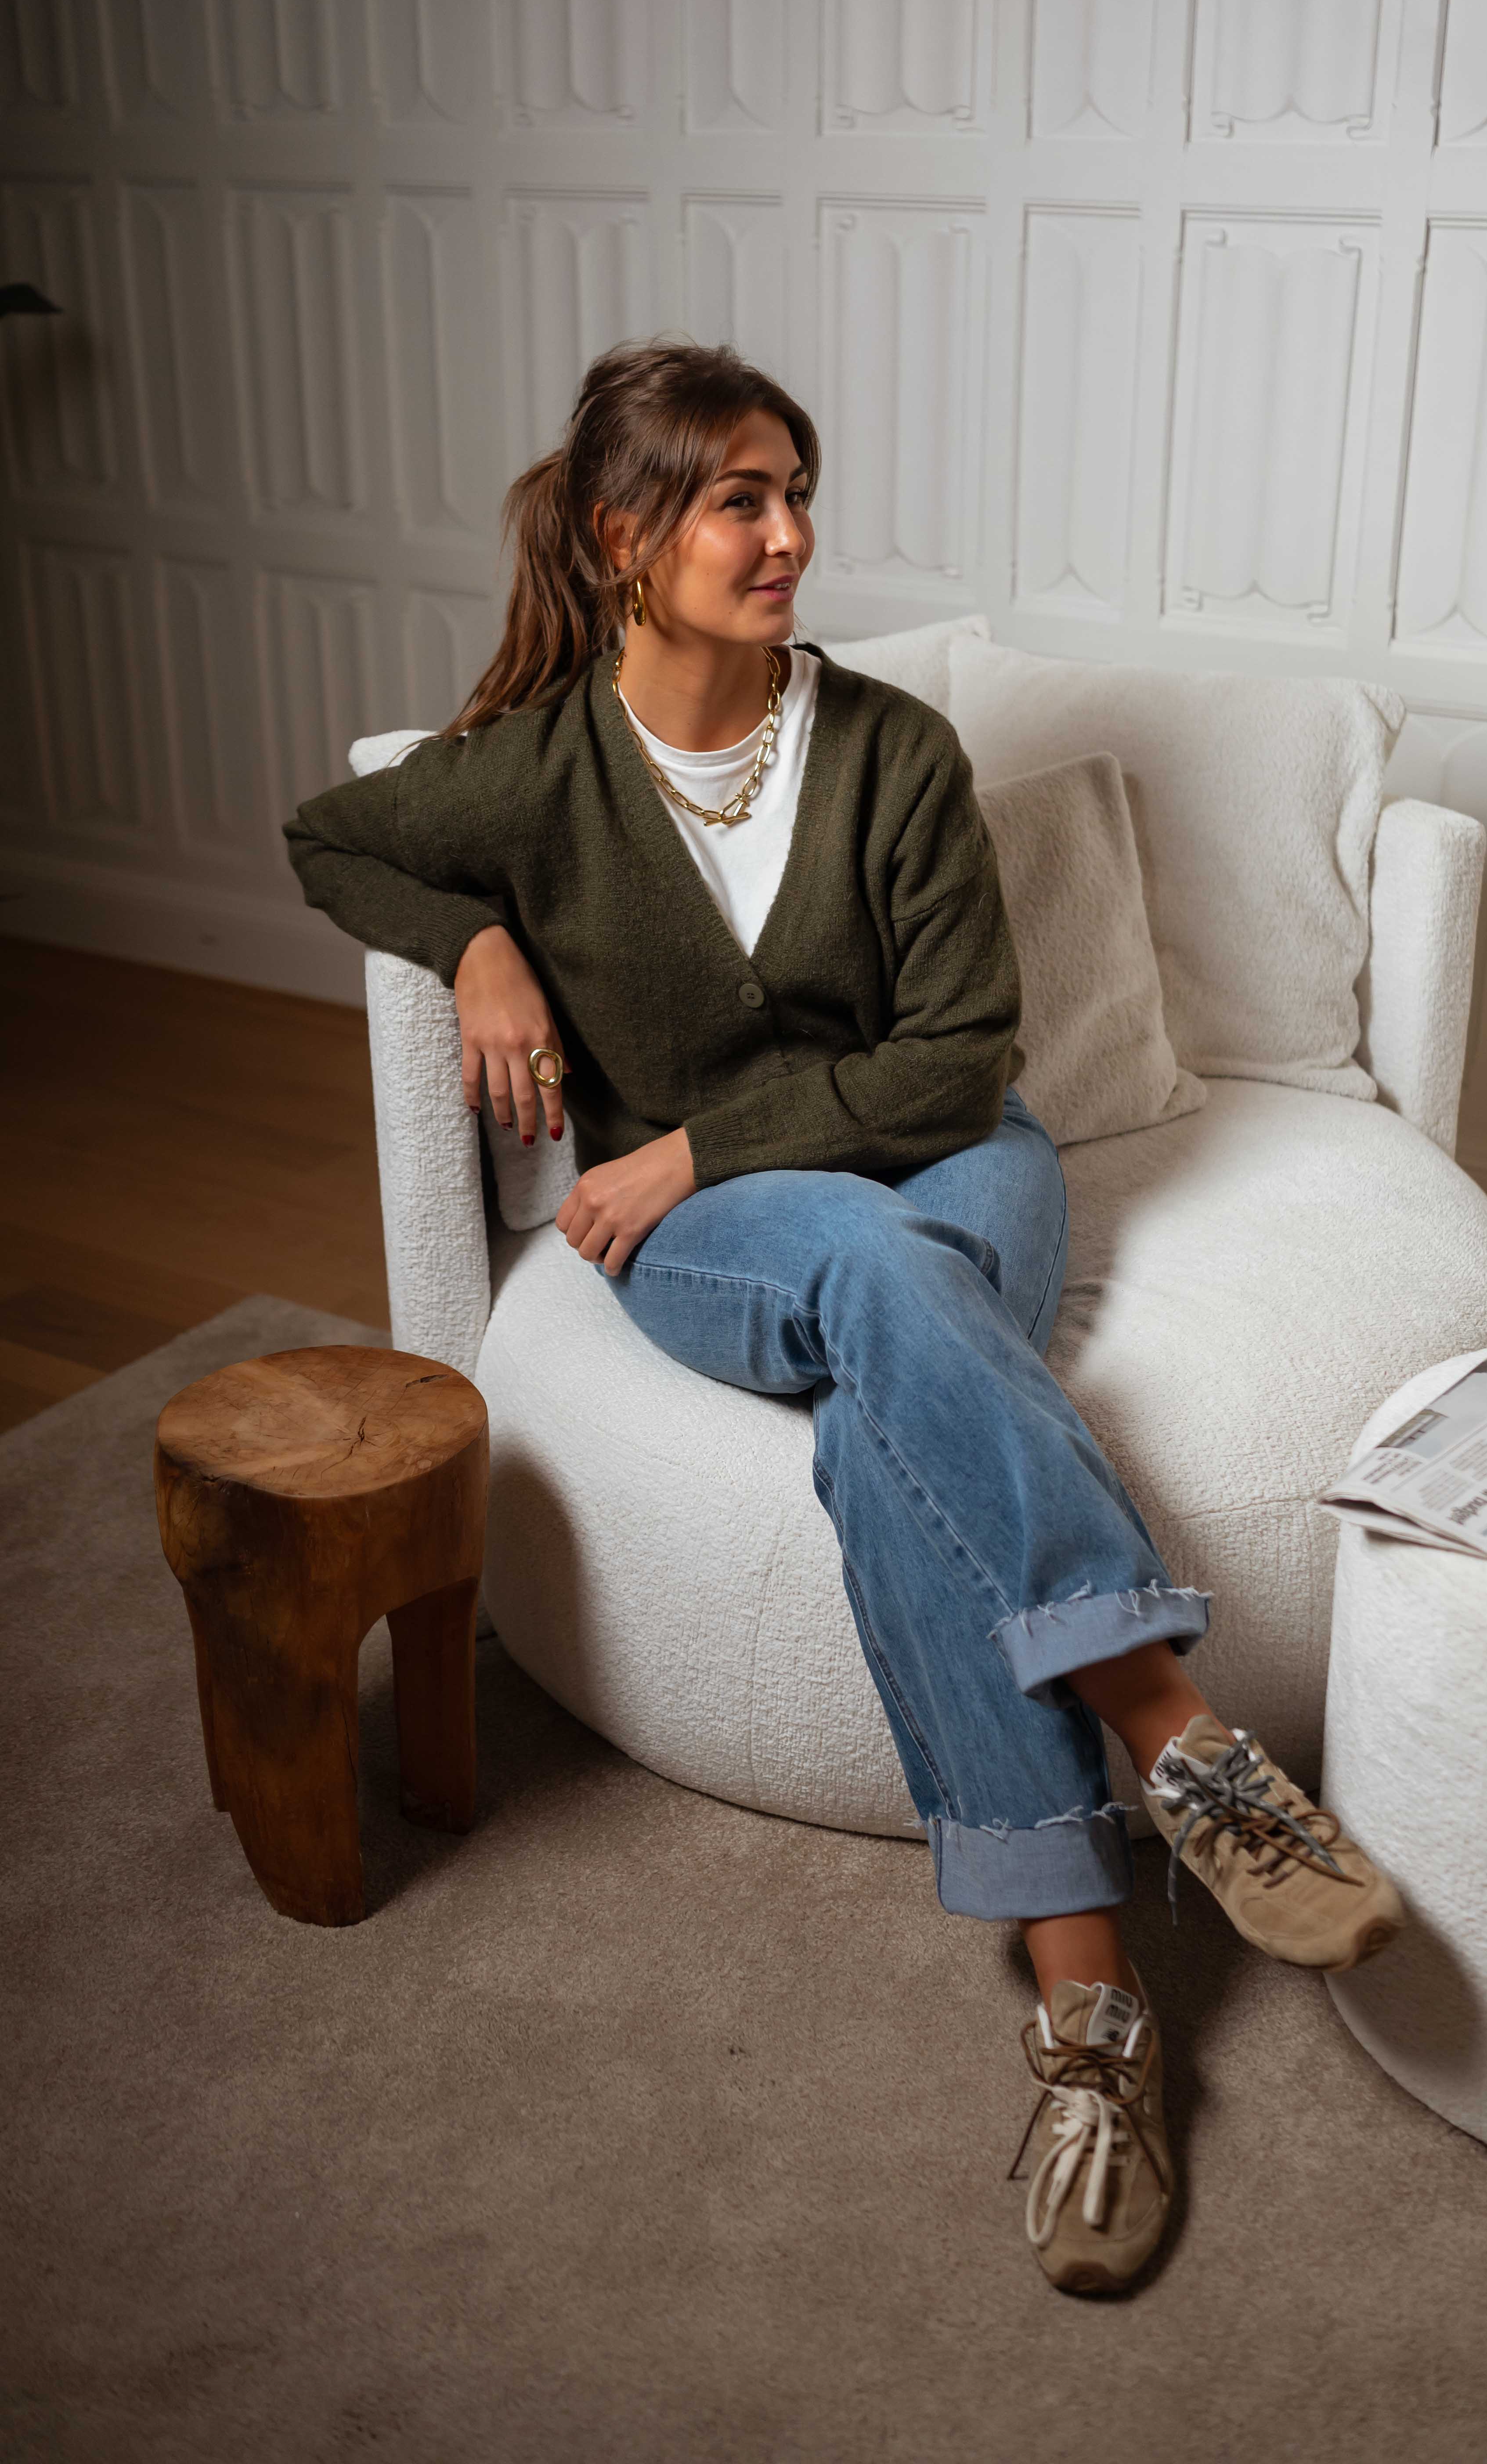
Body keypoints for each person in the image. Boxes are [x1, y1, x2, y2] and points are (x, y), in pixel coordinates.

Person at [285, 337, 1403, 2295]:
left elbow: (961, 1055)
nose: (791, 533)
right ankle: (1171, 1728)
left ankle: (1089, 2011)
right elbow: (331, 838)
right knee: (889, 1293)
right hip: (721, 1230)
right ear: (627, 539)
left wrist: (704, 1138)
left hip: (949, 1156)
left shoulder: (885, 748)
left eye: (795, 490)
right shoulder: (537, 770)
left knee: (897, 1384)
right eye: (741, 498)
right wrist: (476, 947)